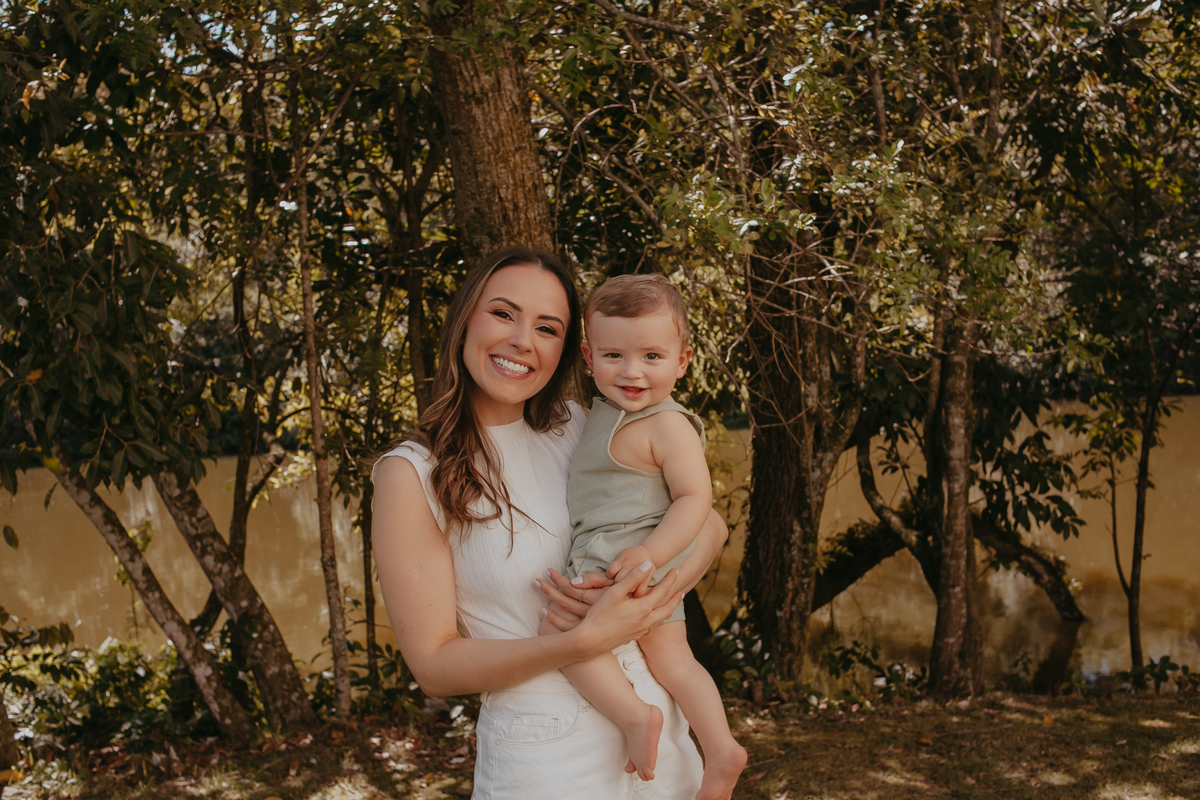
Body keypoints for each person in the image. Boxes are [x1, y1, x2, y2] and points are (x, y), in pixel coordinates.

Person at [371, 246, 727, 800]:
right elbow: (435, 666)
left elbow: (709, 525)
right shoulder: (412, 473)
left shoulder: (580, 426)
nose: (522, 341)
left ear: (567, 350)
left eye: (547, 327)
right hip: (545, 757)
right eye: (504, 314)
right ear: (467, 318)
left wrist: (652, 595)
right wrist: (584, 640)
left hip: (659, 728)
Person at [542, 275, 747, 800]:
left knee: (558, 635)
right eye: (615, 355)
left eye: (652, 356)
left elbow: (695, 500)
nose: (632, 372)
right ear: (588, 357)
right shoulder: (600, 414)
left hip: (623, 562)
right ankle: (721, 749)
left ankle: (637, 718)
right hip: (630, 564)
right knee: (675, 661)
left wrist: (649, 556)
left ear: (682, 361)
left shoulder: (668, 425)